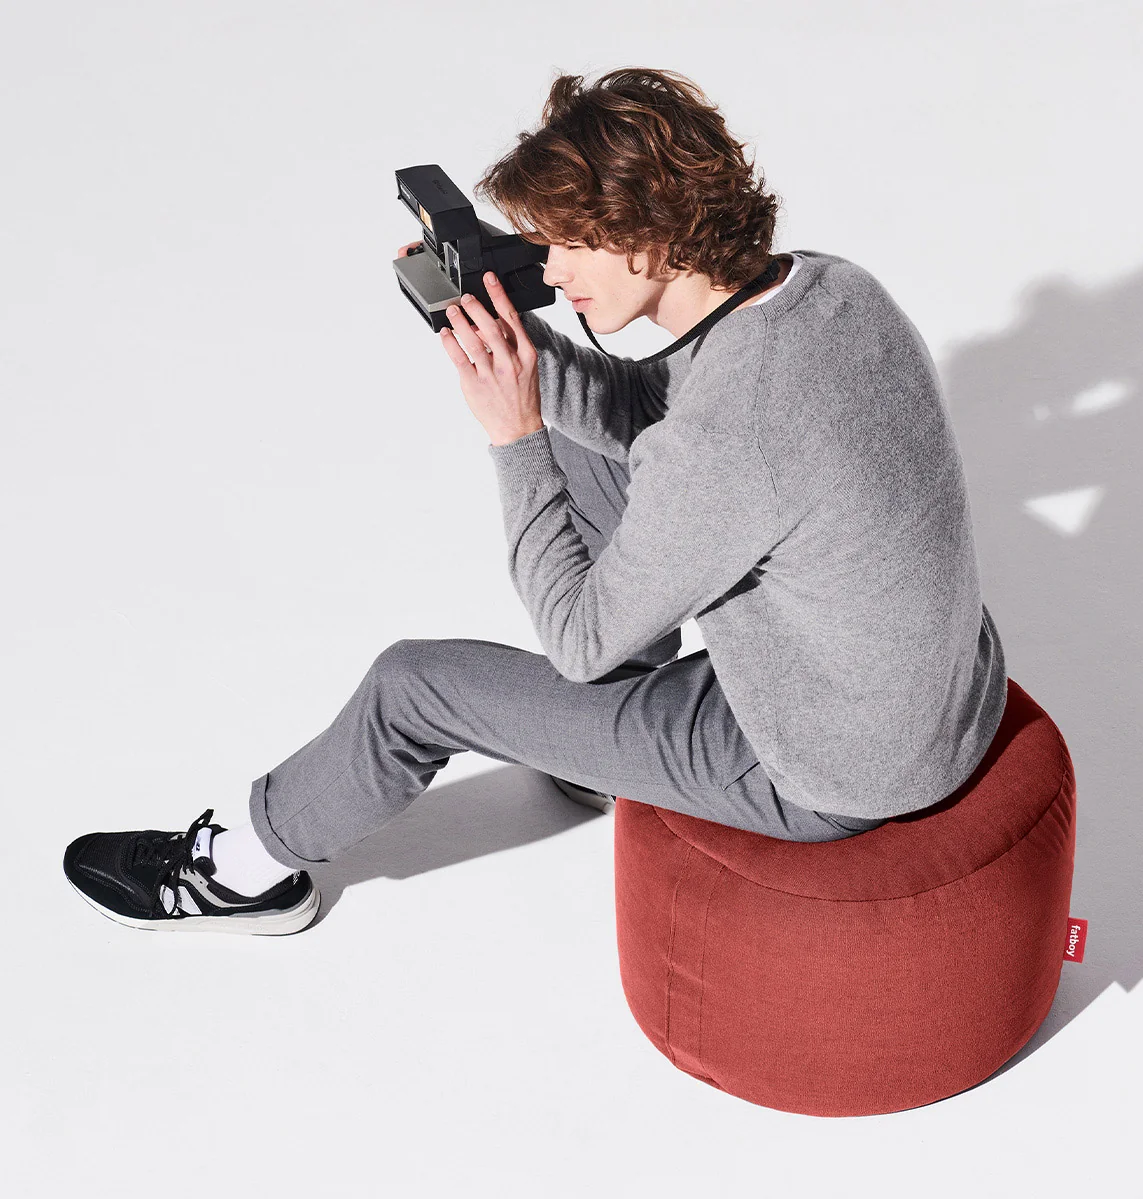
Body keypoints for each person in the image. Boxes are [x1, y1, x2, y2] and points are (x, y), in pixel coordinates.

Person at [62, 66, 1007, 936]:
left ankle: (244, 873)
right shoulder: (829, 288)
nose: (550, 272)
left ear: (647, 240)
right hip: (935, 696)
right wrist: (500, 341)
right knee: (585, 443)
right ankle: (600, 757)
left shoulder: (732, 437)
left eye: (569, 245)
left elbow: (582, 642)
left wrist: (512, 438)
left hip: (829, 767)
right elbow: (654, 417)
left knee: (413, 685)